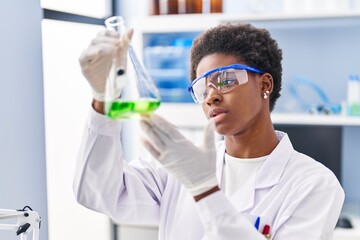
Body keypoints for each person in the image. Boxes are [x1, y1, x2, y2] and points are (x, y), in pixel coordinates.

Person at [73, 23, 345, 239]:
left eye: (226, 80)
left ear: (264, 84)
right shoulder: (177, 169)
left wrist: (204, 190)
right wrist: (102, 98)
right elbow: (97, 192)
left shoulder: (314, 184)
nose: (211, 96)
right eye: (202, 88)